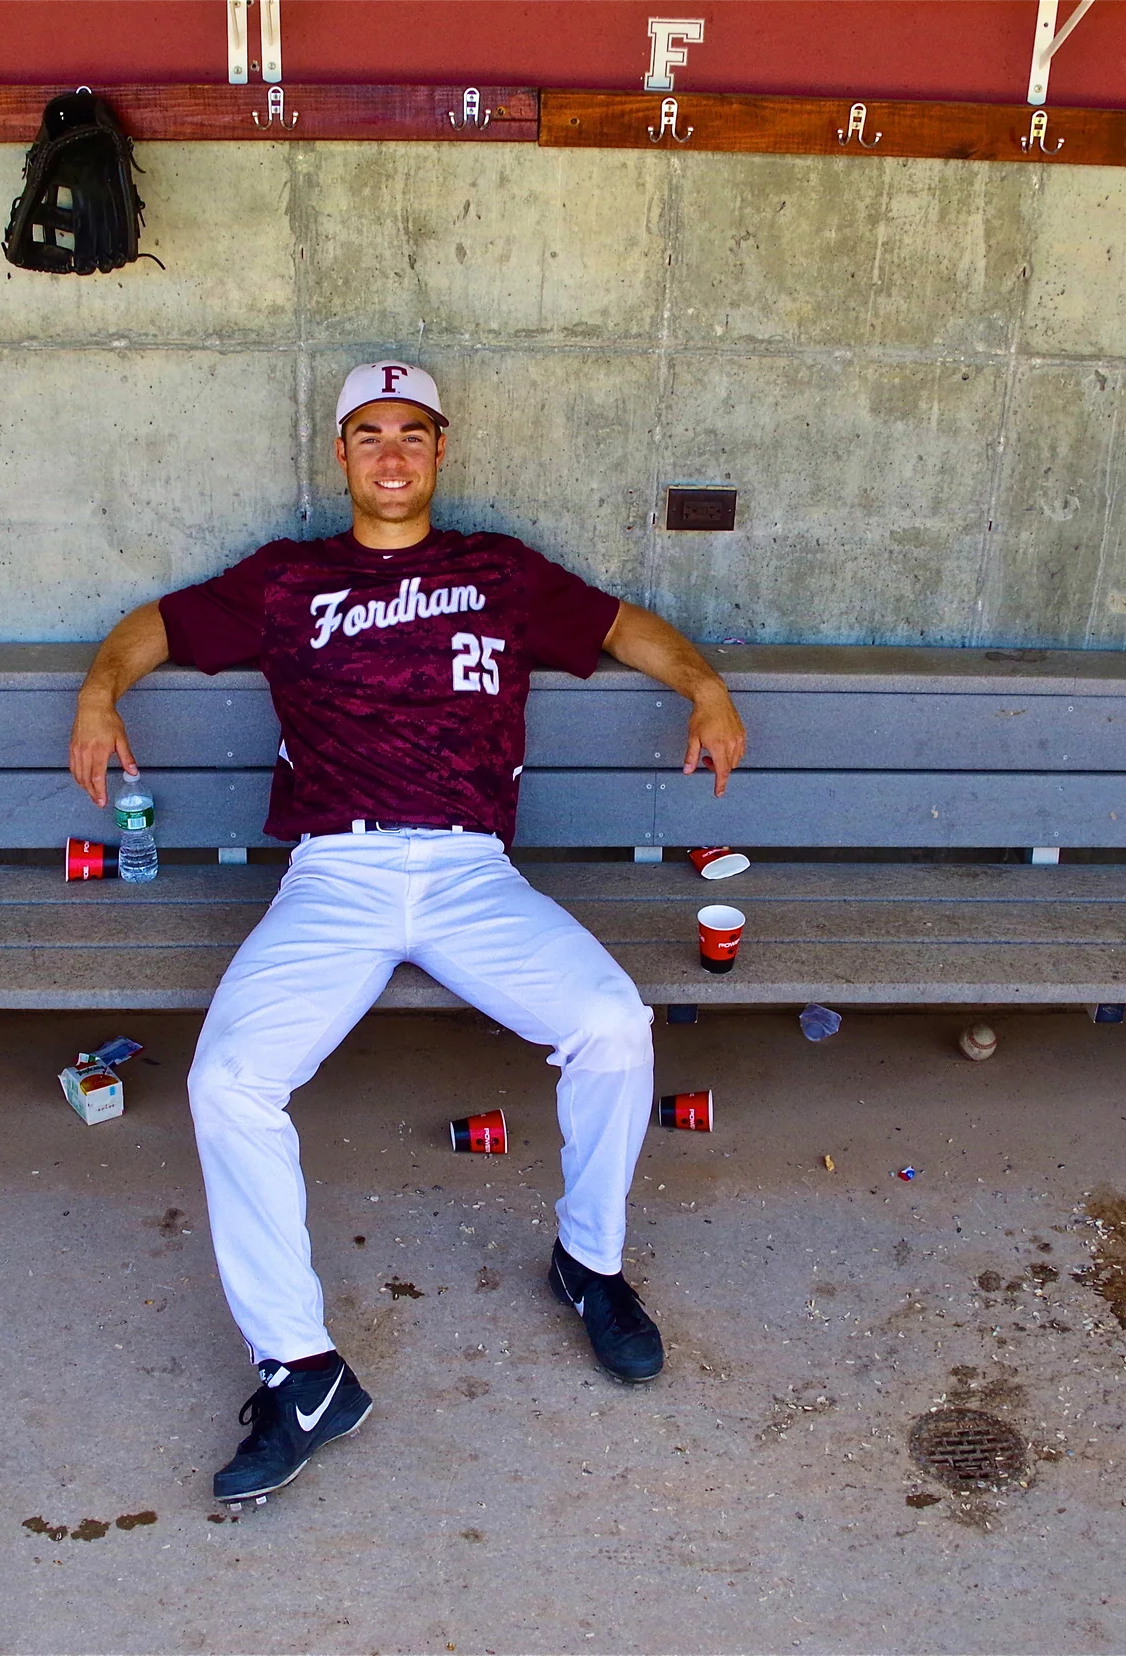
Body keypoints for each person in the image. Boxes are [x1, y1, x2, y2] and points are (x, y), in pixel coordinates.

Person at [68, 360, 747, 1505]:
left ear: (440, 449)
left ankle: (589, 1265)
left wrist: (705, 686)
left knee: (612, 1025)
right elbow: (156, 626)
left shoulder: (499, 571)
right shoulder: (289, 578)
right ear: (341, 456)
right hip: (335, 871)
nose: (392, 454)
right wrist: (100, 690)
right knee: (228, 1080)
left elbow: (625, 628)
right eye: (370, 435)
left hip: (472, 871)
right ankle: (302, 1372)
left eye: (412, 434)